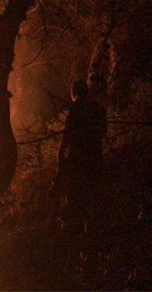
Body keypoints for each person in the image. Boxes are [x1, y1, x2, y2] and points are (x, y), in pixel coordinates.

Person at [55, 80, 107, 233]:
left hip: (77, 161)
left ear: (73, 93)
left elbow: (67, 135)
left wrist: (60, 155)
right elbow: (103, 133)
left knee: (74, 198)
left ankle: (74, 237)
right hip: (96, 158)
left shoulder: (75, 109)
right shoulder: (99, 109)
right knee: (93, 197)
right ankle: (92, 234)